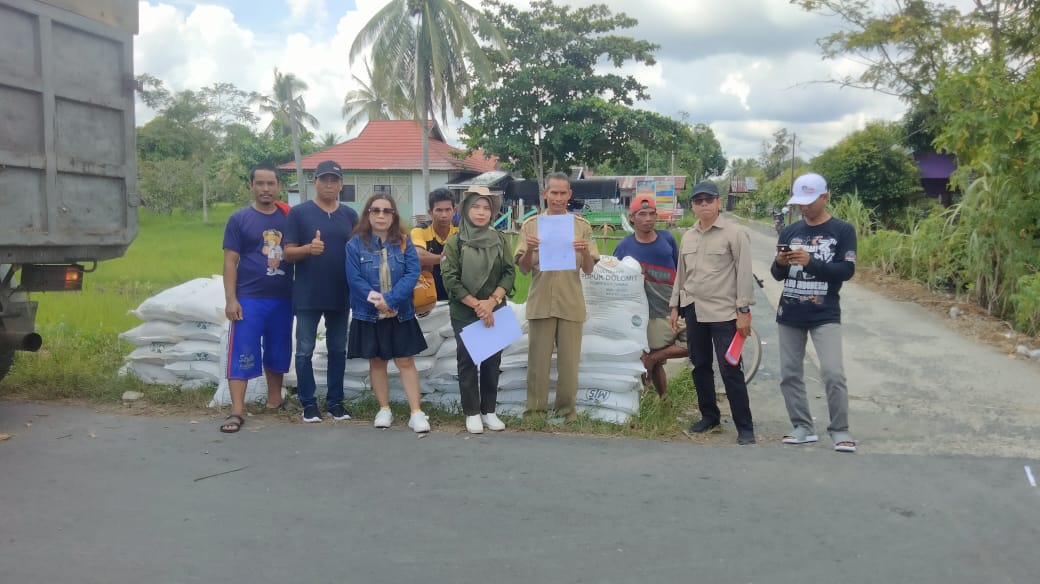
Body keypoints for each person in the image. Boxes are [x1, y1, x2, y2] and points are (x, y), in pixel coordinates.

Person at [771, 173, 858, 453]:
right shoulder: (789, 231)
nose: (804, 208)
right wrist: (781, 262)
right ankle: (802, 427)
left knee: (833, 372)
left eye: (809, 202)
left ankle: (840, 429)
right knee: (789, 374)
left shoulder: (842, 231)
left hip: (825, 313)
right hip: (790, 312)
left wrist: (812, 262)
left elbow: (846, 271)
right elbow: (776, 275)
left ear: (825, 197)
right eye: (800, 203)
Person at [668, 181, 756, 445]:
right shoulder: (688, 236)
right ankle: (710, 416)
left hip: (724, 313)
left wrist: (743, 311)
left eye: (709, 200)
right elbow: (681, 274)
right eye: (698, 201)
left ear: (718, 202)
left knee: (731, 368)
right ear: (692, 206)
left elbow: (743, 274)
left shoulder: (735, 233)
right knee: (700, 366)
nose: (704, 204)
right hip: (694, 309)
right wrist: (675, 305)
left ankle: (745, 427)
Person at [515, 172, 599, 422]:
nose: (558, 198)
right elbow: (523, 268)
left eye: (563, 193)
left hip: (571, 302)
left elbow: (589, 269)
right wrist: (530, 249)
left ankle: (566, 411)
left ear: (570, 195)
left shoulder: (581, 226)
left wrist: (584, 252)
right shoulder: (531, 226)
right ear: (545, 194)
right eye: (554, 193)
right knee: (537, 363)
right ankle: (535, 412)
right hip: (541, 301)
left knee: (569, 364)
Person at [346, 194, 431, 433]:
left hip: (400, 312)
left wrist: (391, 300)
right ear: (368, 214)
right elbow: (354, 279)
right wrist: (378, 301)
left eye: (387, 211)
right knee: (377, 361)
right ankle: (384, 409)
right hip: (368, 313)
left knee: (405, 360)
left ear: (394, 215)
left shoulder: (404, 242)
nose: (381, 215)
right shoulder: (354, 245)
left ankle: (416, 412)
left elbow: (412, 273)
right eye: (376, 210)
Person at [283, 160, 359, 423]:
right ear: (314, 182)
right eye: (324, 179)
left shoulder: (350, 215)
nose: (329, 184)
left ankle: (335, 402)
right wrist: (308, 249)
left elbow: (360, 251)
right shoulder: (299, 213)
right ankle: (308, 403)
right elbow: (287, 252)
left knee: (338, 349)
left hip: (341, 294)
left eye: (334, 180)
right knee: (304, 350)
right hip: (308, 294)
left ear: (341, 184)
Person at [219, 163, 293, 433]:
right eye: (260, 184)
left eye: (270, 183)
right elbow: (230, 260)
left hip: (283, 297)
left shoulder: (288, 218)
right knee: (243, 351)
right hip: (249, 298)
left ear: (278, 186)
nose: (265, 189)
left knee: (278, 349)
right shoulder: (240, 219)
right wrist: (231, 299)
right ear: (251, 186)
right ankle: (237, 410)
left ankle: (275, 400)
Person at [441, 186, 516, 434]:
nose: (481, 212)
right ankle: (472, 412)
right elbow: (450, 278)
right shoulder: (456, 241)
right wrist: (477, 305)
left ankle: (489, 411)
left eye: (486, 208)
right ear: (465, 210)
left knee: (493, 361)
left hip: (494, 309)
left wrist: (491, 302)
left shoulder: (500, 239)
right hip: (465, 310)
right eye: (475, 206)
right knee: (468, 360)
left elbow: (509, 272)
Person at [614, 194, 685, 398]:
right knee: (649, 362)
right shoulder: (625, 246)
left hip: (674, 308)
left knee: (695, 345)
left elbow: (681, 270)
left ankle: (657, 356)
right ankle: (660, 402)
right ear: (632, 217)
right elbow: (617, 276)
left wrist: (680, 302)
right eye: (642, 214)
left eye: (651, 214)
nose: (648, 219)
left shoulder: (668, 239)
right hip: (649, 314)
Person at [410, 188, 459, 300]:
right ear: (430, 212)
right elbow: (417, 256)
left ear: (454, 211)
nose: (444, 215)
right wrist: (445, 258)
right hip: (428, 293)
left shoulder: (461, 229)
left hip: (457, 291)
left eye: (448, 210)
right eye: (439, 210)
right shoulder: (420, 230)